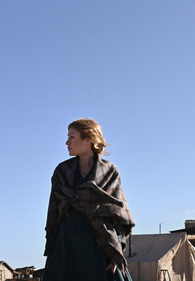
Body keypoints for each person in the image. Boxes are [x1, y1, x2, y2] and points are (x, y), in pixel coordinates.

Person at [44, 118, 135, 281]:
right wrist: (52, 246)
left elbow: (117, 214)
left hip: (99, 242)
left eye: (72, 137)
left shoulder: (109, 171)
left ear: (88, 139)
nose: (67, 142)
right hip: (67, 243)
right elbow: (53, 212)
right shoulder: (62, 171)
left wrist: (115, 251)